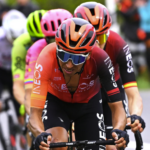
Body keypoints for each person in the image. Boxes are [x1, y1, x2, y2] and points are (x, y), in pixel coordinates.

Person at [27, 17, 129, 150]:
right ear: (57, 48)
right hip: (56, 103)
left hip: (88, 104)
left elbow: (117, 107)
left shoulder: (100, 58)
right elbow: (34, 115)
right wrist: (40, 135)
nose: (69, 65)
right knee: (56, 144)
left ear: (88, 55)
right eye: (63, 56)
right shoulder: (46, 56)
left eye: (77, 58)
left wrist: (119, 131)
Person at [74, 2, 146, 150]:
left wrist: (135, 116)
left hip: (110, 92)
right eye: (93, 40)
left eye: (101, 38)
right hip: (82, 94)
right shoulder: (71, 49)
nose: (98, 47)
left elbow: (133, 94)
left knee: (113, 146)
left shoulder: (118, 44)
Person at [24, 9, 73, 115]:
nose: (59, 45)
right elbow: (30, 89)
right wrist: (34, 117)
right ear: (45, 37)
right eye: (52, 40)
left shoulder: (84, 46)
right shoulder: (36, 49)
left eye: (64, 38)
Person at [0, 9, 27, 150]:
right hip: (1, 71)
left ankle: (23, 133)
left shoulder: (27, 37)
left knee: (20, 109)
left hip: (16, 71)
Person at [11, 9, 46, 106]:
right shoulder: (21, 44)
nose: (39, 44)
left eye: (45, 40)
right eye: (36, 40)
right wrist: (27, 106)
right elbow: (18, 86)